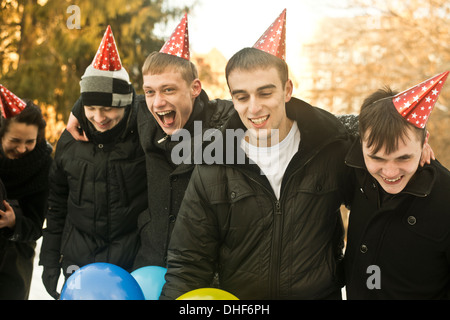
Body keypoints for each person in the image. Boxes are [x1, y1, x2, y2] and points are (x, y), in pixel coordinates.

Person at [160, 10, 354, 300]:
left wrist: (414, 141)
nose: (254, 108)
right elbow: (188, 265)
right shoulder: (214, 163)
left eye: (265, 93)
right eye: (242, 96)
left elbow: (382, 190)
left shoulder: (329, 149)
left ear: (287, 90)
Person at [66, 14, 235, 269]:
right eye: (150, 91)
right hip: (150, 262)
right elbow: (113, 96)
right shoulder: (144, 113)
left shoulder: (222, 122)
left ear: (195, 88)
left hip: (202, 270)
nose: (157, 102)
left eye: (168, 90)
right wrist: (79, 109)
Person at [39, 26, 147, 299]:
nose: (99, 117)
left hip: (133, 263)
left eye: (108, 108)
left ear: (125, 104)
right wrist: (50, 260)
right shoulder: (70, 140)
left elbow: (154, 102)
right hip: (79, 264)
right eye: (90, 108)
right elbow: (57, 204)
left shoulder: (145, 130)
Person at [344, 71, 450, 299]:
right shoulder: (355, 169)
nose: (390, 173)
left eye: (404, 158)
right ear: (360, 144)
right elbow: (320, 123)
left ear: (424, 142)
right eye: (377, 158)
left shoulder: (445, 197)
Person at [0, 85, 52, 299]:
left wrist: (14, 223)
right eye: (14, 141)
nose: (22, 149)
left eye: (29, 142)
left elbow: (36, 225)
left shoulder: (42, 166)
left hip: (15, 259)